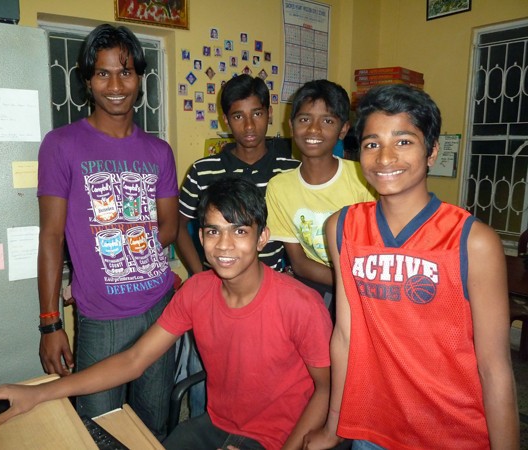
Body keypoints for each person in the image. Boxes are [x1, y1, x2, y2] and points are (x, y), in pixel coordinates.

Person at [0, 178, 333, 450]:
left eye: (239, 231)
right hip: (216, 424)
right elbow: (134, 359)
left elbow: (326, 388)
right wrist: (38, 393)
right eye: (213, 232)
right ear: (200, 236)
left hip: (280, 437)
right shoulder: (197, 291)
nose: (224, 246)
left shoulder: (300, 305)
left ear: (262, 237)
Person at [304, 84, 520, 449]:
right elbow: (345, 336)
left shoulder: (472, 241)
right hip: (372, 429)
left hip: (453, 433)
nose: (385, 158)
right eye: (372, 144)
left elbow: (495, 367)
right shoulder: (342, 228)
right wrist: (333, 427)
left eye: (403, 141)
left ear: (432, 151)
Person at [36, 24, 178, 439]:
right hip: (101, 317)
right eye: (103, 73)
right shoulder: (61, 145)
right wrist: (50, 323)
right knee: (100, 430)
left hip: (160, 309)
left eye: (126, 72)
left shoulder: (159, 151)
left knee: (153, 425)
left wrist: (128, 253)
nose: (116, 86)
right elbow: (51, 237)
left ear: (140, 78)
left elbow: (169, 227)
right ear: (87, 80)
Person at [175, 73, 301, 418]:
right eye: (238, 115)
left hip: (273, 293)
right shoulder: (203, 170)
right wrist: (199, 272)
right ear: (225, 120)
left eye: (257, 113)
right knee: (205, 376)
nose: (248, 125)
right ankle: (204, 428)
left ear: (269, 114)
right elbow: (178, 226)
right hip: (217, 294)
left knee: (265, 381)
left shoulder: (291, 171)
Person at [265, 80, 375, 307]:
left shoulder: (363, 178)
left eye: (327, 121)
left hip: (368, 285)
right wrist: (347, 284)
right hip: (319, 284)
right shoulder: (279, 187)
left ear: (343, 129)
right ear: (291, 126)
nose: (313, 129)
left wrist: (359, 286)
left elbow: (375, 251)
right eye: (304, 119)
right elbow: (299, 262)